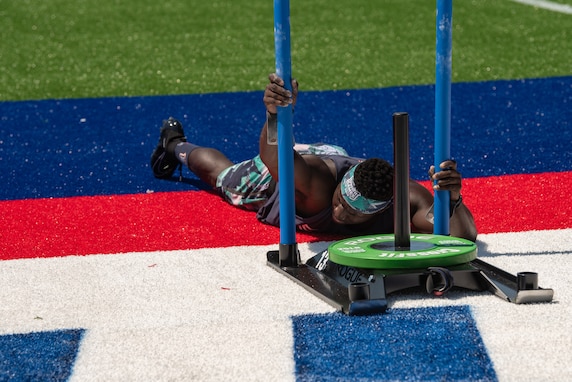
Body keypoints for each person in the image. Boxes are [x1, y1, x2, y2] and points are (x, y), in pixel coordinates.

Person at [150, 73, 477, 241]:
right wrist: (275, 115)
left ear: (383, 206)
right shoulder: (319, 188)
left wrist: (454, 200)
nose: (338, 212)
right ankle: (175, 144)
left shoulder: (407, 199)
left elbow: (461, 237)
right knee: (225, 179)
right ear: (340, 189)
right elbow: (273, 156)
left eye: (350, 213)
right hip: (286, 172)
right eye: (340, 202)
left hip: (326, 158)